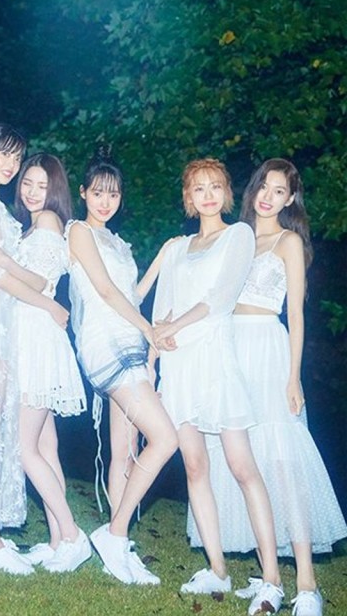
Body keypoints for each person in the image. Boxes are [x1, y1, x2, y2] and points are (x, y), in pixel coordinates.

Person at [190, 159, 347, 616]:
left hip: (267, 349)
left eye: (280, 191)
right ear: (253, 189)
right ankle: (268, 575)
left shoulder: (288, 242)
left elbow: (296, 315)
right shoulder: (236, 237)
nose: (268, 197)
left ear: (290, 199)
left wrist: (293, 376)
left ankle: (307, 585)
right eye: (264, 186)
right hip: (228, 347)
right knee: (242, 459)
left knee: (282, 460)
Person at [152, 158, 284, 614]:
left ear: (226, 193)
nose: (207, 195)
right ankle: (217, 568)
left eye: (214, 186)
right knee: (194, 466)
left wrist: (174, 327)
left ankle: (272, 579)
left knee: (241, 465)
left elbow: (221, 298)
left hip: (215, 359)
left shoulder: (238, 236)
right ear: (188, 198)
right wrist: (157, 348)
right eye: (198, 188)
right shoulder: (178, 248)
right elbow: (162, 309)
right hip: (179, 366)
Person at [0, 125, 68, 575]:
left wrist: (40, 295)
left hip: (3, 324)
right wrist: (47, 303)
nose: (10, 164)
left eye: (16, 157)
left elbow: (17, 271)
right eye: (3, 154)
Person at [66, 148, 178, 585]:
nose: (105, 202)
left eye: (113, 194)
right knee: (164, 438)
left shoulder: (118, 242)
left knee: (125, 451)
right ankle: (114, 534)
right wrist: (149, 331)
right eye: (98, 193)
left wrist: (162, 258)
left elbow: (131, 293)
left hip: (128, 338)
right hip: (106, 343)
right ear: (83, 193)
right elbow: (106, 291)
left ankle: (120, 544)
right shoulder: (79, 232)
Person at [0, 153, 89, 573]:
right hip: (32, 334)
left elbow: (40, 283)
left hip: (36, 338)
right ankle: (59, 540)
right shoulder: (31, 225)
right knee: (44, 446)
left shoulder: (48, 223)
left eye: (42, 185)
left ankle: (73, 535)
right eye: (27, 183)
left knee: (23, 448)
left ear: (55, 189)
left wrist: (4, 261)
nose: (32, 191)